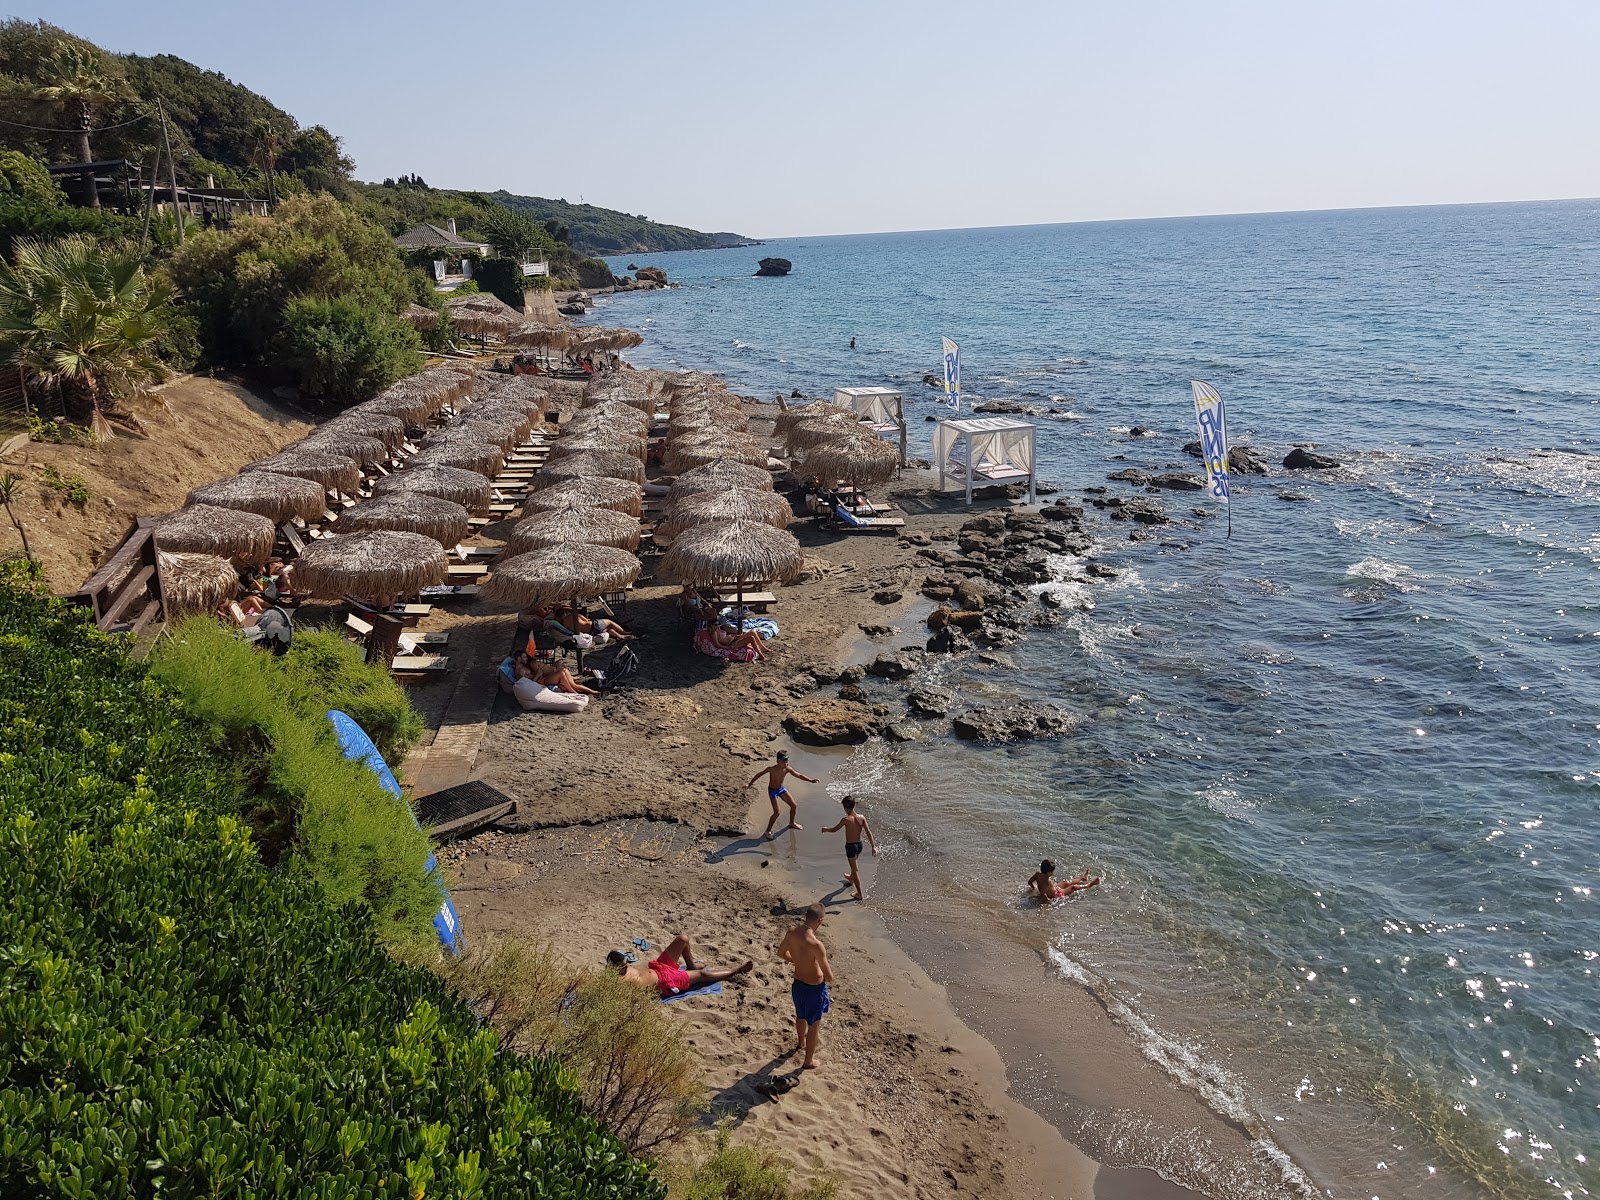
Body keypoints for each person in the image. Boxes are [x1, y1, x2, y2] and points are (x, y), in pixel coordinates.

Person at [608, 934, 752, 998]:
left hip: (659, 967)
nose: (625, 968)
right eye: (622, 967)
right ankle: (737, 970)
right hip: (666, 981)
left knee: (683, 939)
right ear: (612, 969)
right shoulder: (619, 983)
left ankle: (691, 966)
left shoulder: (622, 966)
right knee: (703, 975)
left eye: (626, 965)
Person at [777, 903, 832, 1069]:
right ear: (820, 921)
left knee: (800, 1016)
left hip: (798, 984)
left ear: (805, 917)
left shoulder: (791, 932)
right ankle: (808, 1061)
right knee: (814, 1024)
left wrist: (796, 960)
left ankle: (800, 1043)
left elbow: (781, 953)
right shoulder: (816, 945)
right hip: (814, 988)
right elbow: (828, 976)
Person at [822, 796, 878, 901]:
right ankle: (851, 878)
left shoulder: (846, 820)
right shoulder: (862, 817)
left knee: (855, 869)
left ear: (846, 808)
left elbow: (834, 829)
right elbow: (868, 833)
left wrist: (826, 829)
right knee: (854, 864)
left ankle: (859, 893)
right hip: (859, 845)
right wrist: (873, 847)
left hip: (851, 846)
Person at [749, 750, 817, 838]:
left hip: (781, 789)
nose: (786, 763)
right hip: (772, 791)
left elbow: (799, 775)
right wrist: (749, 784)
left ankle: (791, 823)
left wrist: (810, 780)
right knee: (777, 813)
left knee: (793, 805)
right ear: (778, 761)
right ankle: (767, 831)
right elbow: (759, 774)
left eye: (787, 760)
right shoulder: (771, 768)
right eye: (784, 761)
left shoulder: (787, 768)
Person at [1028, 859, 1100, 902]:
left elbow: (1030, 882)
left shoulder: (1037, 874)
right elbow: (1042, 894)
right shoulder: (1047, 882)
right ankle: (1091, 884)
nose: (1053, 873)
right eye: (1052, 872)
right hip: (1056, 894)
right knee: (1073, 887)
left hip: (1054, 888)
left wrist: (1034, 888)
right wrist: (1049, 900)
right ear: (1049, 873)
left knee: (1066, 882)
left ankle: (1083, 878)